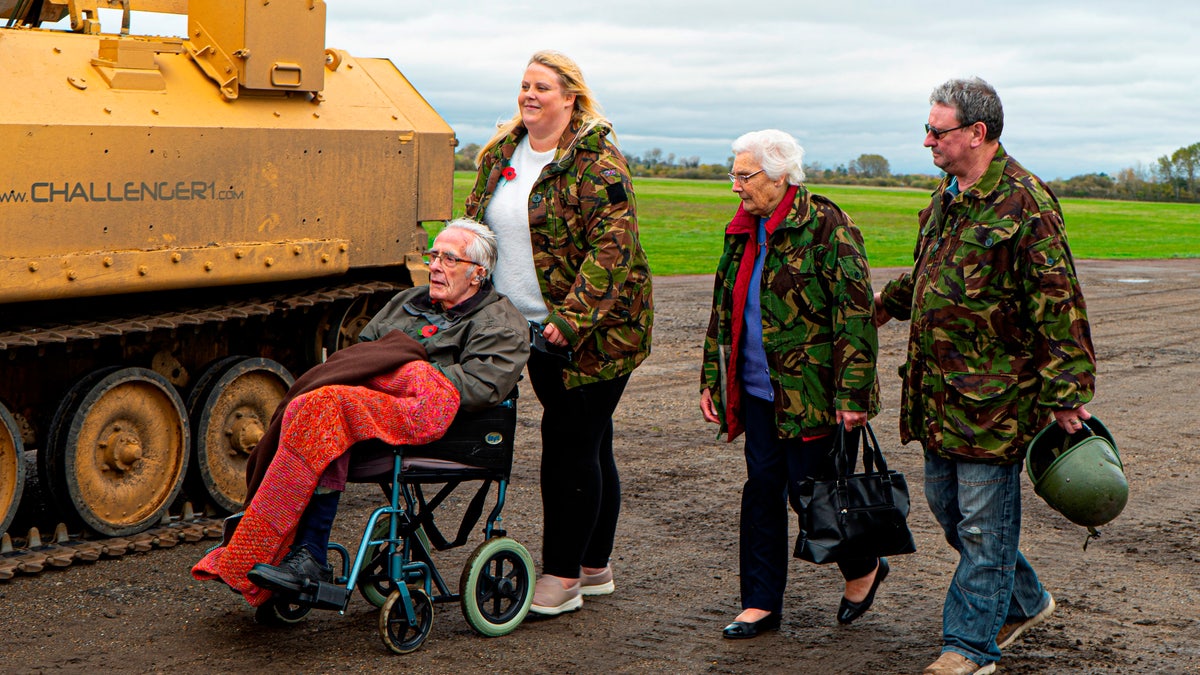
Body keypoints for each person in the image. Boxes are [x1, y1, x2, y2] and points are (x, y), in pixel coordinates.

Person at [874, 78, 1095, 675]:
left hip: (995, 400)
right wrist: (873, 309)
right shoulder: (947, 193)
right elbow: (926, 274)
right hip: (938, 394)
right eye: (928, 129)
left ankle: (969, 647)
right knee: (950, 509)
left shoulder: (1027, 201)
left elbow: (1059, 302)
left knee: (979, 523)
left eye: (937, 131)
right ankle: (1027, 600)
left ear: (978, 132)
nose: (927, 141)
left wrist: (1067, 393)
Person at [194, 219, 530, 603]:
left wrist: (410, 373)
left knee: (329, 408)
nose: (435, 265)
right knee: (314, 407)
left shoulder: (501, 323)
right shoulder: (407, 302)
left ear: (478, 273)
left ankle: (299, 554)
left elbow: (481, 387)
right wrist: (385, 372)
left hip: (439, 425)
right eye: (433, 255)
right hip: (371, 417)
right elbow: (361, 356)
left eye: (449, 259)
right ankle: (292, 554)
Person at [464, 50, 653, 616]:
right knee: (592, 443)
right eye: (524, 85)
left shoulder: (598, 163)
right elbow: (478, 223)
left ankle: (562, 576)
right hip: (519, 323)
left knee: (568, 445)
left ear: (570, 97)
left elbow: (612, 251)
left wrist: (568, 322)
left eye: (542, 87)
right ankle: (595, 567)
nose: (530, 95)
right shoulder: (503, 153)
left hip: (595, 331)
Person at [699, 129, 882, 639]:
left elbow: (856, 314)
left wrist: (854, 394)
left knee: (814, 496)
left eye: (744, 176)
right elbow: (723, 309)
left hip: (813, 393)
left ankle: (862, 566)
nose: (735, 186)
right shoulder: (742, 228)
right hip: (757, 391)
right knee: (761, 491)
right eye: (733, 174)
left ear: (779, 176)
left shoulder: (826, 224)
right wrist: (714, 377)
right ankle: (759, 603)